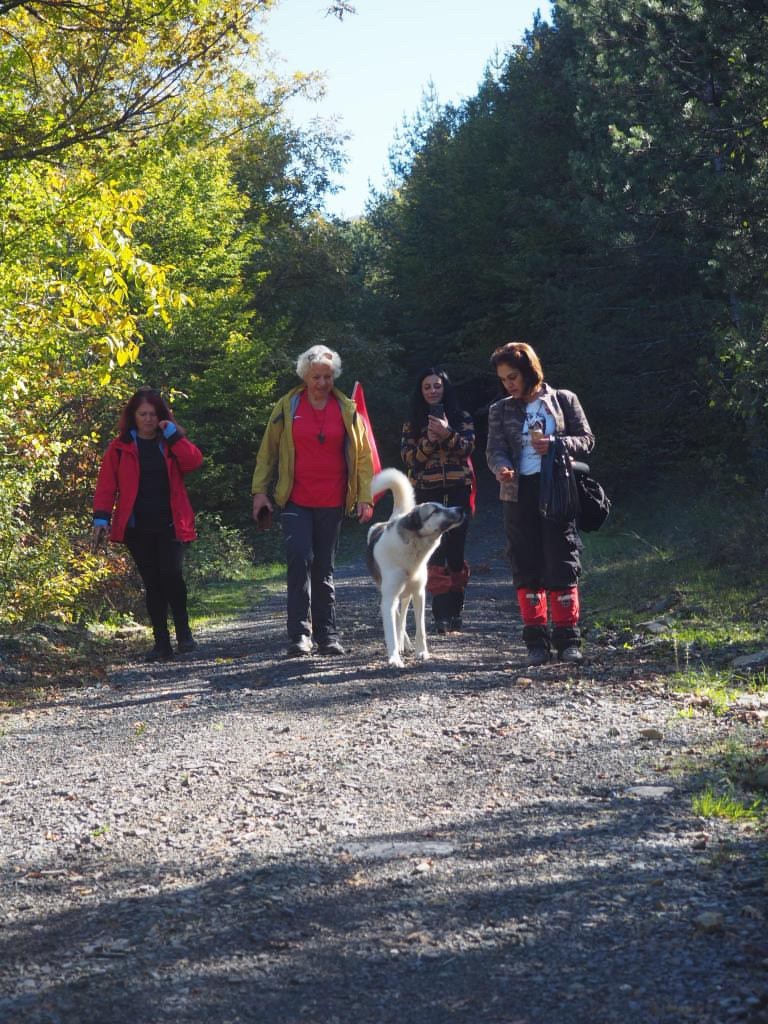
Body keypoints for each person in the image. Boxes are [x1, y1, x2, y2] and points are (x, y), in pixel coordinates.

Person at [251, 345, 374, 657]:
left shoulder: (347, 409)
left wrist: (364, 497)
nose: (322, 383)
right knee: (298, 558)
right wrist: (260, 492)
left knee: (323, 567)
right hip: (295, 498)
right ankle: (299, 636)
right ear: (305, 376)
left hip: (332, 500)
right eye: (317, 376)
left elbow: (362, 458)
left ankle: (327, 635)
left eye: (328, 376)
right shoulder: (287, 405)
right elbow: (269, 451)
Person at [486, 342, 594, 665]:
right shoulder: (500, 410)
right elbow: (494, 450)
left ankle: (568, 639)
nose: (509, 384)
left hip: (558, 489)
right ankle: (536, 642)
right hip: (517, 494)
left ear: (530, 371)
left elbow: (587, 440)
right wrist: (501, 468)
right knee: (525, 561)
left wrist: (556, 445)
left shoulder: (564, 400)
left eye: (513, 376)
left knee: (562, 557)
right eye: (504, 379)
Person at [92, 386, 203, 661]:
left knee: (172, 576)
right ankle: (161, 643)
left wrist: (173, 434)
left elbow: (194, 462)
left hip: (172, 524)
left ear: (160, 415)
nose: (148, 419)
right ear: (133, 416)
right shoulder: (119, 449)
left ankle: (184, 634)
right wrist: (101, 519)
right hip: (137, 529)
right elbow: (106, 486)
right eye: (143, 414)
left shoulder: (170, 443)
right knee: (152, 583)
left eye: (153, 414)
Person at [400, 367, 475, 634]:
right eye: (427, 387)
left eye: (437, 385)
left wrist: (447, 434)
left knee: (455, 553)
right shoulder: (412, 422)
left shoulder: (461, 417)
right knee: (435, 553)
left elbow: (468, 448)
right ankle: (441, 614)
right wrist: (429, 441)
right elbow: (410, 460)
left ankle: (456, 608)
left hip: (458, 491)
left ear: (445, 388)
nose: (433, 390)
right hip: (428, 494)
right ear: (421, 392)